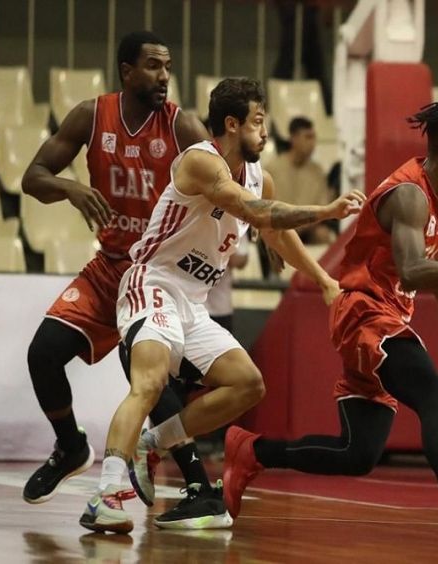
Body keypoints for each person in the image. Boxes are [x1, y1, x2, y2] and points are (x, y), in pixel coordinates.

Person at [220, 100, 438, 548]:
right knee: (435, 396)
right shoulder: (409, 194)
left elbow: (422, 259)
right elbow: (412, 268)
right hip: (364, 313)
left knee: (358, 454)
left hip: (383, 316)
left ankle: (251, 451)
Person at [78, 77, 364, 534]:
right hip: (153, 281)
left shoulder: (259, 175)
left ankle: (151, 443)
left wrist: (324, 279)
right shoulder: (200, 164)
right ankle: (105, 494)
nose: (265, 132)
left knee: (248, 384)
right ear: (231, 124)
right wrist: (326, 212)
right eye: (257, 122)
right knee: (149, 382)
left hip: (193, 301)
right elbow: (256, 213)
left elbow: (278, 235)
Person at [20, 31, 234, 528]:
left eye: (168, 67)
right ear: (126, 70)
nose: (164, 76)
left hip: (156, 272)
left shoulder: (182, 125)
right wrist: (70, 188)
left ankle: (199, 486)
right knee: (43, 353)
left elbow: (228, 188)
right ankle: (71, 447)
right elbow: (32, 176)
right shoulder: (91, 116)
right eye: (154, 66)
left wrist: (258, 227)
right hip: (108, 267)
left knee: (153, 383)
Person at [264, 116, 336, 244]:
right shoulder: (272, 168)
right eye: (308, 137)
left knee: (323, 234)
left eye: (313, 137)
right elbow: (265, 208)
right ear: (294, 138)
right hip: (278, 229)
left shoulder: (318, 171)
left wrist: (301, 227)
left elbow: (322, 209)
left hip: (307, 230)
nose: (313, 143)